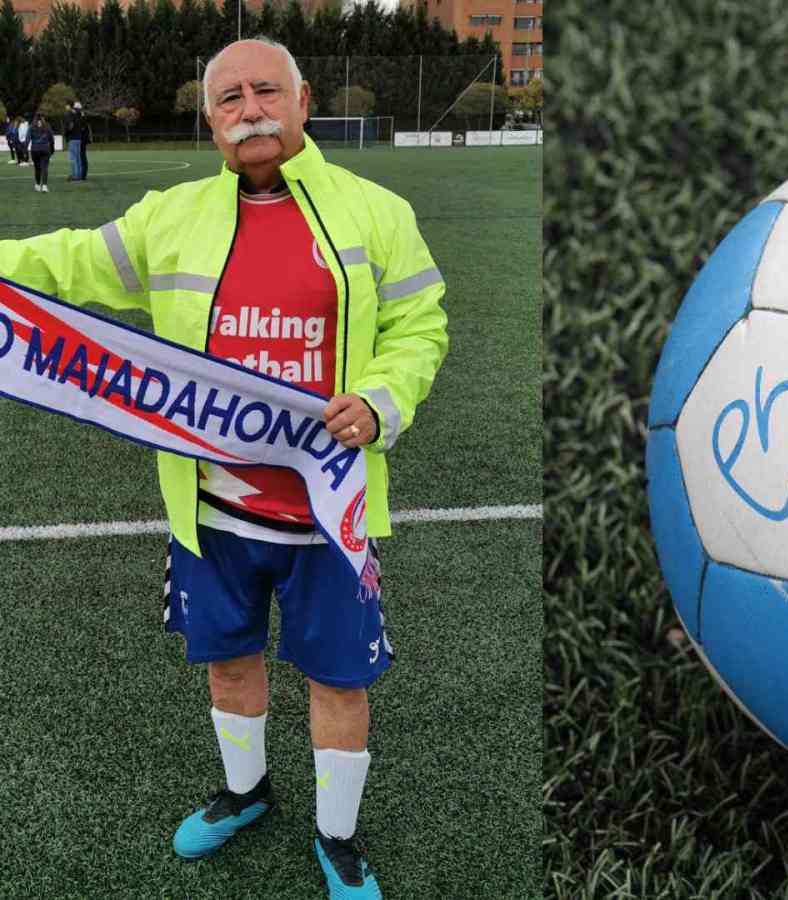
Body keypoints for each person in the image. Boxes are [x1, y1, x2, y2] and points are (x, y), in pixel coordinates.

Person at [0, 36, 447, 900]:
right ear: (211, 118)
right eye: (231, 97)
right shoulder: (173, 216)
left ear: (304, 101)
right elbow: (70, 262)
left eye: (267, 92)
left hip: (327, 511)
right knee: (229, 660)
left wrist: (383, 399)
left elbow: (421, 325)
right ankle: (246, 793)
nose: (251, 110)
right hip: (209, 509)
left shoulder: (375, 211)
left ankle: (338, 836)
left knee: (339, 678)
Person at [27, 114, 53, 192]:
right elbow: (51, 138)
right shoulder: (47, 126)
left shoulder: (31, 127)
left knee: (37, 168)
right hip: (45, 149)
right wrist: (52, 149)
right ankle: (44, 186)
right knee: (44, 168)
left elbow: (27, 139)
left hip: (35, 150)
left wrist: (25, 149)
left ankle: (37, 185)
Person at [65, 101, 81, 181]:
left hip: (72, 138)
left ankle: (75, 176)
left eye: (66, 105)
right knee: (78, 158)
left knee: (73, 158)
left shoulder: (69, 114)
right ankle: (79, 175)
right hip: (78, 138)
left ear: (69, 106)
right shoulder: (78, 114)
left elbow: (70, 125)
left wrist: (66, 133)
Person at [78, 106, 92, 180]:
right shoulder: (84, 119)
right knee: (82, 157)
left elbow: (82, 130)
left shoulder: (82, 120)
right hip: (83, 141)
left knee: (82, 157)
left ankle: (83, 175)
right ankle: (82, 174)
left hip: (82, 141)